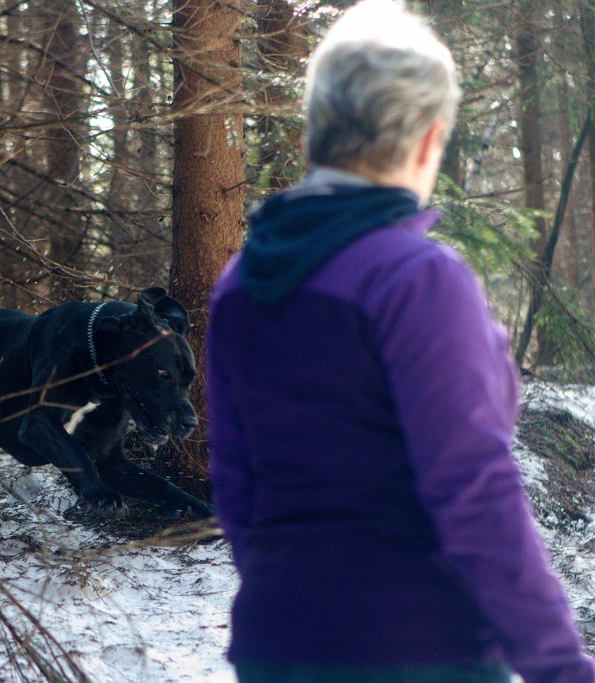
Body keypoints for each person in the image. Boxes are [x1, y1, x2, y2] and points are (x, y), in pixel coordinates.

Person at [205, 1, 595, 681]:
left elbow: (237, 486)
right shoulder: (416, 278)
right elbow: (473, 488)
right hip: (417, 645)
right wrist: (559, 664)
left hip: (276, 641)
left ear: (314, 135)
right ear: (425, 141)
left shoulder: (241, 281)